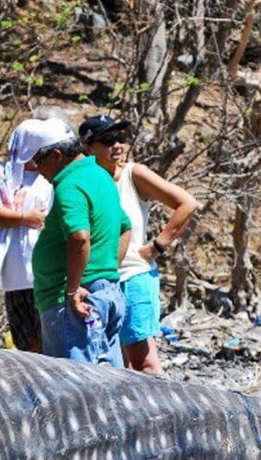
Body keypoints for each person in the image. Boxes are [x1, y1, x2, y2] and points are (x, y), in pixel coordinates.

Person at [80, 115, 198, 375]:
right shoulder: (84, 181)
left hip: (133, 276)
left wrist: (157, 246)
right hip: (98, 281)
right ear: (88, 146)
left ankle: (168, 414)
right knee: (118, 365)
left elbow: (186, 203)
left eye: (121, 138)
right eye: (109, 140)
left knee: (145, 363)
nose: (118, 145)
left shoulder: (134, 175)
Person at [30, 119, 131, 366]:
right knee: (109, 382)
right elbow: (125, 227)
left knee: (74, 389)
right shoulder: (100, 175)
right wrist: (107, 272)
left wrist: (74, 289)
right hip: (105, 292)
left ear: (55, 155)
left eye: (38, 161)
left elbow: (79, 237)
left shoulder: (70, 185)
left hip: (74, 302)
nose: (37, 168)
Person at [0, 119, 55, 353]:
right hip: (14, 273)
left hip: (43, 271)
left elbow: (49, 217)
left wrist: (16, 216)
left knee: (48, 337)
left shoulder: (49, 176)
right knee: (25, 338)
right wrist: (23, 218)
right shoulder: (4, 174)